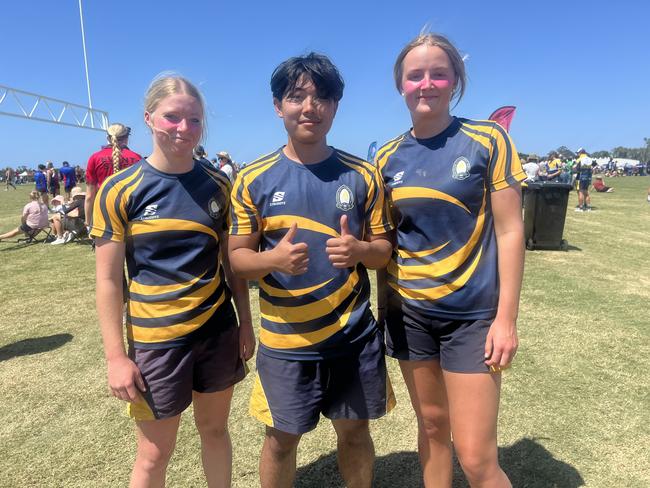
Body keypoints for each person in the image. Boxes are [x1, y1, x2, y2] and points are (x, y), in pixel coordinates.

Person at [228, 53, 395, 488]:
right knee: (281, 441)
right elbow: (237, 259)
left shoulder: (363, 175)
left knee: (356, 434)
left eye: (322, 97)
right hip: (287, 342)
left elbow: (384, 252)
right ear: (277, 105)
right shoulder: (252, 179)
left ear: (336, 106)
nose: (309, 107)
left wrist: (360, 249)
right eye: (296, 96)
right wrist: (272, 261)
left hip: (352, 338)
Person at [90, 74, 255, 487]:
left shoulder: (219, 184)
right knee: (154, 453)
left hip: (217, 330)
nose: (184, 128)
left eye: (194, 120)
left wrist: (246, 324)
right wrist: (115, 358)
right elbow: (109, 281)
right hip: (157, 341)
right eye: (172, 118)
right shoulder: (119, 190)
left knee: (215, 432)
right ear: (148, 119)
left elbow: (231, 265)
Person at [375, 33, 524, 488]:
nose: (427, 83)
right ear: (400, 85)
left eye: (438, 73)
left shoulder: (488, 140)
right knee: (434, 430)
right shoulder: (385, 157)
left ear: (455, 80)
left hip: (473, 318)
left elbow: (511, 230)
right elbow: (389, 244)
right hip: (410, 316)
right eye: (414, 75)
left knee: (476, 457)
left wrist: (506, 319)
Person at [85, 123, 142, 229]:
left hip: (104, 209)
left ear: (108, 138)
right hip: (131, 209)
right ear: (126, 138)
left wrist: (88, 223)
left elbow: (89, 196)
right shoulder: (137, 158)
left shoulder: (95, 157)